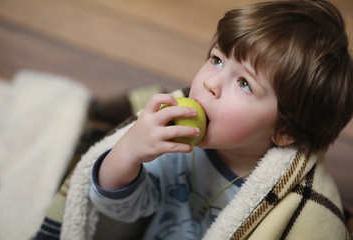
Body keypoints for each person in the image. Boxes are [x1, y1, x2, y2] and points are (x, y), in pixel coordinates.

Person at [89, 0, 353, 239]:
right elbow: (122, 210)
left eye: (244, 83)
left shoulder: (290, 202)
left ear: (284, 130)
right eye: (216, 59)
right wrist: (127, 153)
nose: (210, 82)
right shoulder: (174, 143)